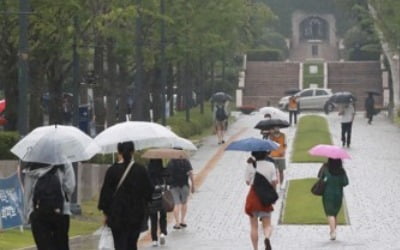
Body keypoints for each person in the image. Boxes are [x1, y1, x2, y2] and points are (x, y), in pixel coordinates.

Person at [98, 141, 154, 250]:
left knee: (119, 244)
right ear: (133, 152)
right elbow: (149, 190)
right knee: (132, 244)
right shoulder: (140, 170)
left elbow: (105, 195)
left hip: (116, 216)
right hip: (136, 215)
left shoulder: (112, 171)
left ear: (119, 152)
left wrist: (106, 213)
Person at [23, 161, 76, 250]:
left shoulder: (32, 163)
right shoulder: (64, 161)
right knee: (61, 245)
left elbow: (27, 192)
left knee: (43, 246)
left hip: (38, 211)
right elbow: (70, 187)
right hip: (61, 212)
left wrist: (27, 215)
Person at [245, 151, 277, 250]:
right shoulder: (271, 165)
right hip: (265, 198)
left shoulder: (250, 165)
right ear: (266, 154)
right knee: (267, 225)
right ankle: (267, 238)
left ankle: (255, 248)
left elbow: (247, 182)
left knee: (253, 227)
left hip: (253, 197)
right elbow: (274, 181)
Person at [317, 158, 349, 240]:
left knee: (330, 213)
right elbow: (345, 182)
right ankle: (333, 231)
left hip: (328, 194)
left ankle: (333, 232)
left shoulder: (325, 168)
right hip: (338, 194)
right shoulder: (341, 171)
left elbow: (319, 177)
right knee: (335, 213)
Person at [166, 156, 195, 230]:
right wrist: (193, 185)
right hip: (184, 185)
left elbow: (167, 174)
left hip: (174, 186)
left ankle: (177, 223)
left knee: (176, 204)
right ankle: (183, 220)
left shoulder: (171, 162)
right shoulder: (186, 161)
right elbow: (191, 173)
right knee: (184, 203)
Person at [147, 159, 169, 247]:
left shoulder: (148, 172)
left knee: (153, 220)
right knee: (163, 217)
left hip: (152, 199)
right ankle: (162, 233)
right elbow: (170, 181)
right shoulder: (164, 171)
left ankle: (154, 240)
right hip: (163, 198)